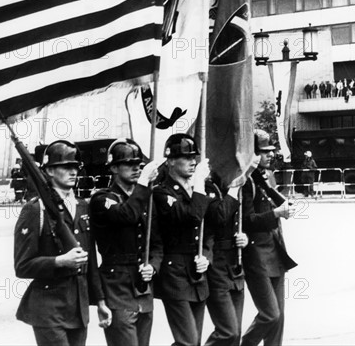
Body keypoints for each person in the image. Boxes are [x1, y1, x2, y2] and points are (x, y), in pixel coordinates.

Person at [14, 140, 110, 346]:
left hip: (78, 307)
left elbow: (90, 260)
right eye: (66, 167)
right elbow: (22, 266)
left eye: (75, 167)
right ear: (49, 171)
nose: (73, 172)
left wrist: (100, 301)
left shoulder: (83, 207)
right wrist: (59, 261)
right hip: (49, 308)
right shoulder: (35, 210)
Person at [90, 138, 163, 346]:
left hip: (143, 286)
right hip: (117, 285)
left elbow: (157, 243)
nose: (136, 168)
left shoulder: (146, 199)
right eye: (128, 164)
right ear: (113, 167)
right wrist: (144, 185)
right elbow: (126, 215)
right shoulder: (102, 199)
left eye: (138, 165)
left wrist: (154, 266)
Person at [153, 133, 212, 346]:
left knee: (193, 342)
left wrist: (206, 256)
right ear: (169, 161)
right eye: (186, 158)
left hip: (197, 272)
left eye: (194, 157)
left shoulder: (195, 190)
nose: (193, 162)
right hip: (174, 273)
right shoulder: (161, 193)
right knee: (187, 341)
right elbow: (191, 216)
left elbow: (209, 232)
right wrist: (199, 184)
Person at [241, 130, 297, 346]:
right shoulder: (245, 181)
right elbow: (246, 221)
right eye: (264, 152)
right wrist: (275, 214)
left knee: (279, 317)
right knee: (269, 315)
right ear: (252, 154)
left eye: (271, 151)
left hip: (275, 252)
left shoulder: (265, 178)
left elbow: (279, 201)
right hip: (256, 255)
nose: (270, 155)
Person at [204, 171, 250, 346]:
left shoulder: (236, 187)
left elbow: (243, 220)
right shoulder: (209, 187)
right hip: (217, 265)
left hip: (235, 264)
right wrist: (234, 188)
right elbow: (220, 216)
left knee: (235, 334)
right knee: (228, 331)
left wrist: (243, 237)